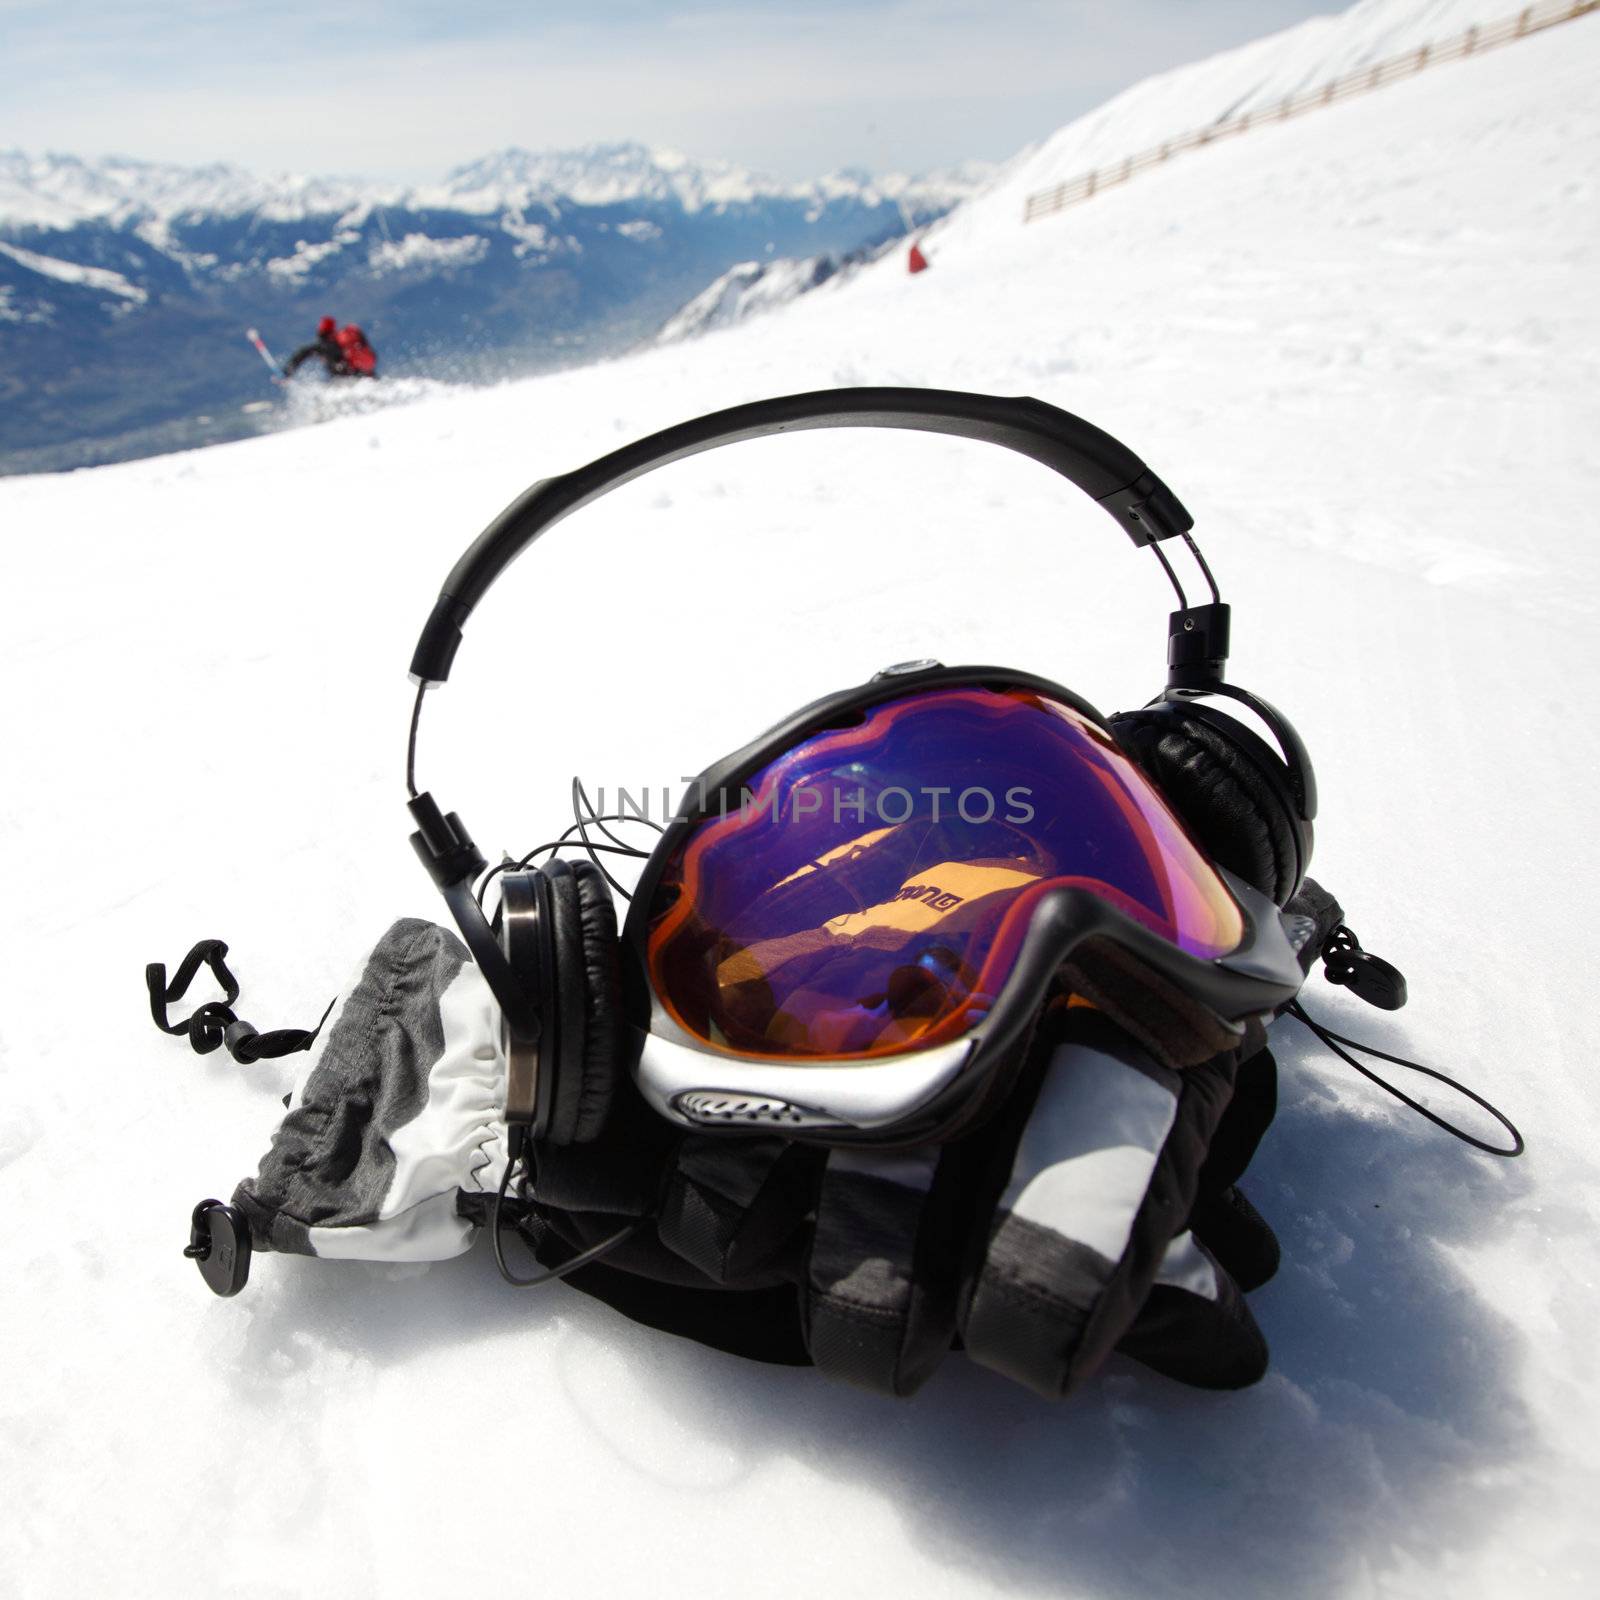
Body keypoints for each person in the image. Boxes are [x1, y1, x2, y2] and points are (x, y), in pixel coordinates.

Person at [283, 316, 378, 379]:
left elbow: (303, 352)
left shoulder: (325, 346)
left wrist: (287, 372)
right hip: (367, 376)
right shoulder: (344, 341)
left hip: (346, 382)